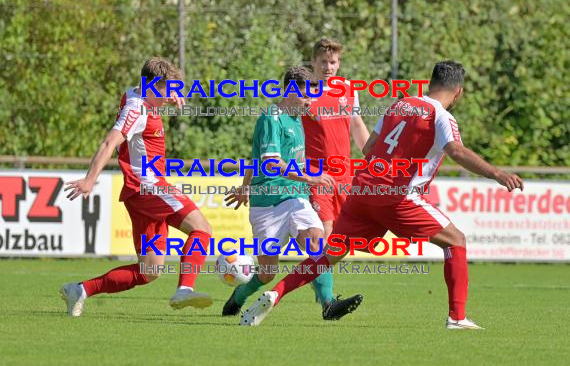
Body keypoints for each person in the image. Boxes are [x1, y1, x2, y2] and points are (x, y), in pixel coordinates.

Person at [240, 61, 524, 328]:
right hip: (397, 196)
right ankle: (457, 318)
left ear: (430, 83)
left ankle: (276, 294)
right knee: (456, 241)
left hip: (363, 190)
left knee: (329, 254)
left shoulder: (400, 104)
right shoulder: (441, 116)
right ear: (458, 92)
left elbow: (370, 147)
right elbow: (457, 151)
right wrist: (497, 174)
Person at [60, 57, 213, 316]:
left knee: (149, 271)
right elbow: (109, 143)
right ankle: (185, 289)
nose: (171, 97)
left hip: (138, 193)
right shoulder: (136, 110)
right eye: (169, 90)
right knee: (202, 228)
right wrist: (89, 179)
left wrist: (169, 97)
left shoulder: (136, 94)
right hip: (149, 186)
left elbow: (139, 96)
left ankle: (80, 290)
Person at [222, 66, 363, 320]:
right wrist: (310, 177)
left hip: (295, 197)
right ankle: (239, 296)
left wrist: (244, 187)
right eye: (306, 96)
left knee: (318, 243)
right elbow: (270, 162)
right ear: (289, 90)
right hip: (267, 203)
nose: (311, 102)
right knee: (267, 273)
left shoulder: (297, 119)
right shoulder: (271, 118)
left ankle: (328, 304)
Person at [302, 38, 370, 308]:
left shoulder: (347, 89)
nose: (328, 67)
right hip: (316, 175)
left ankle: (316, 282)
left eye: (333, 62)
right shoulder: (303, 90)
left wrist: (373, 158)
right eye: (323, 62)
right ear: (313, 62)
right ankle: (328, 301)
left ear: (339, 63)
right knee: (323, 234)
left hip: (345, 176)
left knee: (339, 241)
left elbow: (356, 125)